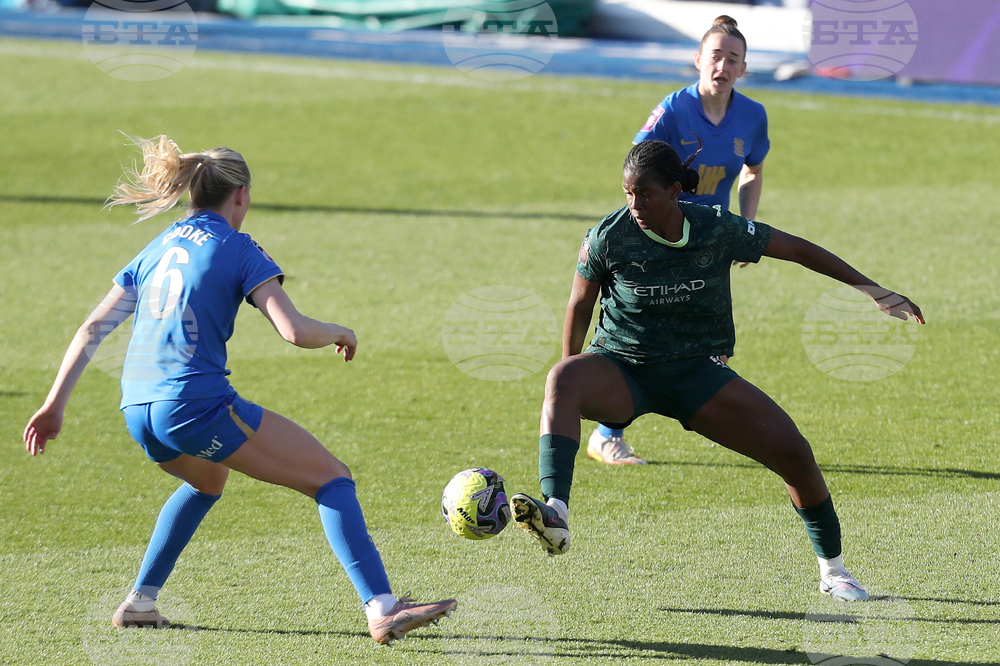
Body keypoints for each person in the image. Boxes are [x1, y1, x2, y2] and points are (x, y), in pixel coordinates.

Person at [22, 135, 456, 644]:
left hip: (138, 408)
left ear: (190, 192)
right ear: (241, 195)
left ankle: (140, 602)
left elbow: (93, 327)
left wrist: (55, 405)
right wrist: (342, 332)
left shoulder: (158, 246)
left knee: (207, 481)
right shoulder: (238, 247)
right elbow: (293, 330)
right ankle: (382, 608)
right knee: (332, 479)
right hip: (193, 404)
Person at [510, 140, 924, 602]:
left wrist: (873, 289)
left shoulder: (716, 227)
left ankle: (835, 573)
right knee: (561, 377)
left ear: (673, 190)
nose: (634, 204)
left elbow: (798, 249)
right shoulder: (607, 237)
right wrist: (575, 370)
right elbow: (579, 304)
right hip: (623, 368)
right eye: (628, 193)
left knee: (795, 454)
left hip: (695, 375)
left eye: (645, 193)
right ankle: (556, 511)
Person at [587, 15, 769, 466]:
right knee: (644, 335)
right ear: (697, 59)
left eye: (733, 58)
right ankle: (606, 433)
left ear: (743, 68)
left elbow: (753, 169)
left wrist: (747, 225)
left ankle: (713, 415)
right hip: (661, 241)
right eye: (715, 55)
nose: (722, 65)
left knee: (708, 339)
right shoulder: (671, 111)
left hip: (708, 242)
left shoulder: (752, 115)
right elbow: (635, 166)